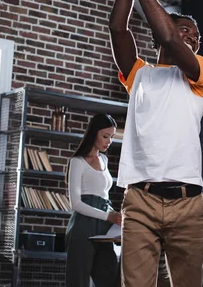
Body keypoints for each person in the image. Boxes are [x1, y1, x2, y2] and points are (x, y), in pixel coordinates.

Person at [109, 0, 203, 287]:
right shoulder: (140, 75)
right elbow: (118, 29)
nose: (193, 39)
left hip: (188, 204)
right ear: (156, 37)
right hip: (139, 201)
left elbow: (169, 38)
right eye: (187, 30)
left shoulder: (200, 74)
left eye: (197, 37)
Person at [65, 113, 122, 287]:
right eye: (105, 136)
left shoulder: (104, 159)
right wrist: (108, 217)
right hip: (83, 226)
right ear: (93, 133)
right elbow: (75, 203)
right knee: (78, 281)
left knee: (110, 277)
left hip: (104, 227)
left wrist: (115, 217)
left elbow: (104, 195)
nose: (109, 141)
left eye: (111, 137)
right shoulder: (77, 162)